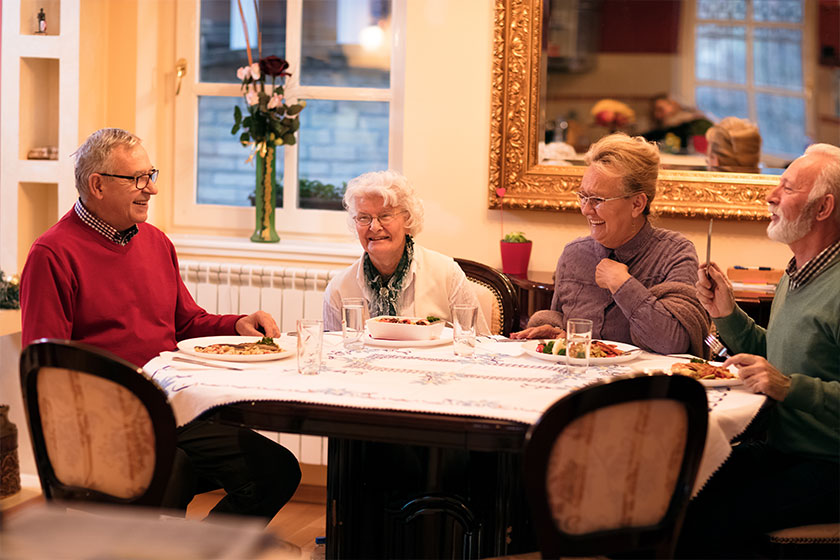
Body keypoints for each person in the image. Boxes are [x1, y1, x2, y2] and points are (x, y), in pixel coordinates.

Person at [20, 128, 301, 521]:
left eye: (150, 175)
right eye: (136, 179)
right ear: (96, 185)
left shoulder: (156, 243)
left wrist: (238, 323)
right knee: (174, 471)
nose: (150, 188)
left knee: (276, 469)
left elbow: (186, 323)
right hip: (103, 426)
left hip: (170, 411)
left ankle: (202, 553)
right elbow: (47, 367)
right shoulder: (52, 253)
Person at [678, 143, 840, 558]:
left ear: (823, 209)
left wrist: (789, 386)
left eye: (786, 188)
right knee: (675, 488)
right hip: (784, 450)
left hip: (828, 465)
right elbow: (779, 357)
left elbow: (786, 378)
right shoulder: (798, 273)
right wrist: (726, 313)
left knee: (708, 521)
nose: (770, 195)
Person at [511, 133, 709, 356]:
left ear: (637, 204)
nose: (586, 209)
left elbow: (673, 343)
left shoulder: (675, 253)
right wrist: (556, 333)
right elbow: (564, 329)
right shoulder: (574, 254)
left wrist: (623, 285)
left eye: (598, 200)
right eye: (583, 196)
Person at [323, 169, 489, 334]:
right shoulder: (339, 289)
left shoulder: (447, 274)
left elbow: (479, 343)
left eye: (385, 215)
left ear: (408, 219)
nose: (374, 227)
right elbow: (332, 353)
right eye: (363, 218)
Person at [643, 94, 713, 152]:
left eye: (660, 109)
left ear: (673, 105)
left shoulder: (694, 123)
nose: (657, 115)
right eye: (655, 111)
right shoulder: (663, 128)